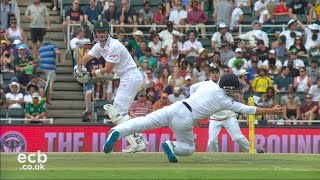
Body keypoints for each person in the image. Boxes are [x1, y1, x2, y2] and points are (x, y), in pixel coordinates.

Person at [103, 73, 283, 163]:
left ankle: (117, 132)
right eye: (235, 88)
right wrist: (271, 111)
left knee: (142, 122)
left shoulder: (208, 84)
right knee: (189, 148)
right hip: (185, 119)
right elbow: (249, 110)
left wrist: (195, 106)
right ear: (228, 89)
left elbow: (193, 89)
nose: (238, 89)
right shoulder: (225, 101)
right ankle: (171, 145)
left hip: (176, 107)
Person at [78, 19, 148, 153]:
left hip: (130, 76)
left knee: (117, 111)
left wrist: (89, 75)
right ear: (95, 34)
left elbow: (108, 69)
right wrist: (78, 67)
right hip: (127, 77)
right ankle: (139, 140)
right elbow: (86, 58)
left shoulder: (114, 45)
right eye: (98, 32)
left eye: (103, 31)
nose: (101, 34)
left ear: (108, 32)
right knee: (119, 113)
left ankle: (137, 142)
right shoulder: (99, 46)